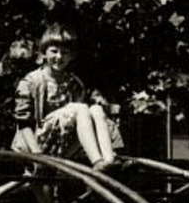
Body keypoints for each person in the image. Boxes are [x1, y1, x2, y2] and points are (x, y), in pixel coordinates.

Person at [12, 23, 120, 171]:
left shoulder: (73, 83)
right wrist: (37, 155)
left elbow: (83, 124)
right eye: (54, 51)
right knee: (81, 108)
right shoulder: (32, 81)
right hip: (37, 144)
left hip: (64, 142)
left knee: (95, 109)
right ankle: (97, 161)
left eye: (65, 53)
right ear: (44, 53)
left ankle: (108, 160)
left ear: (71, 56)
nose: (59, 57)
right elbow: (23, 123)